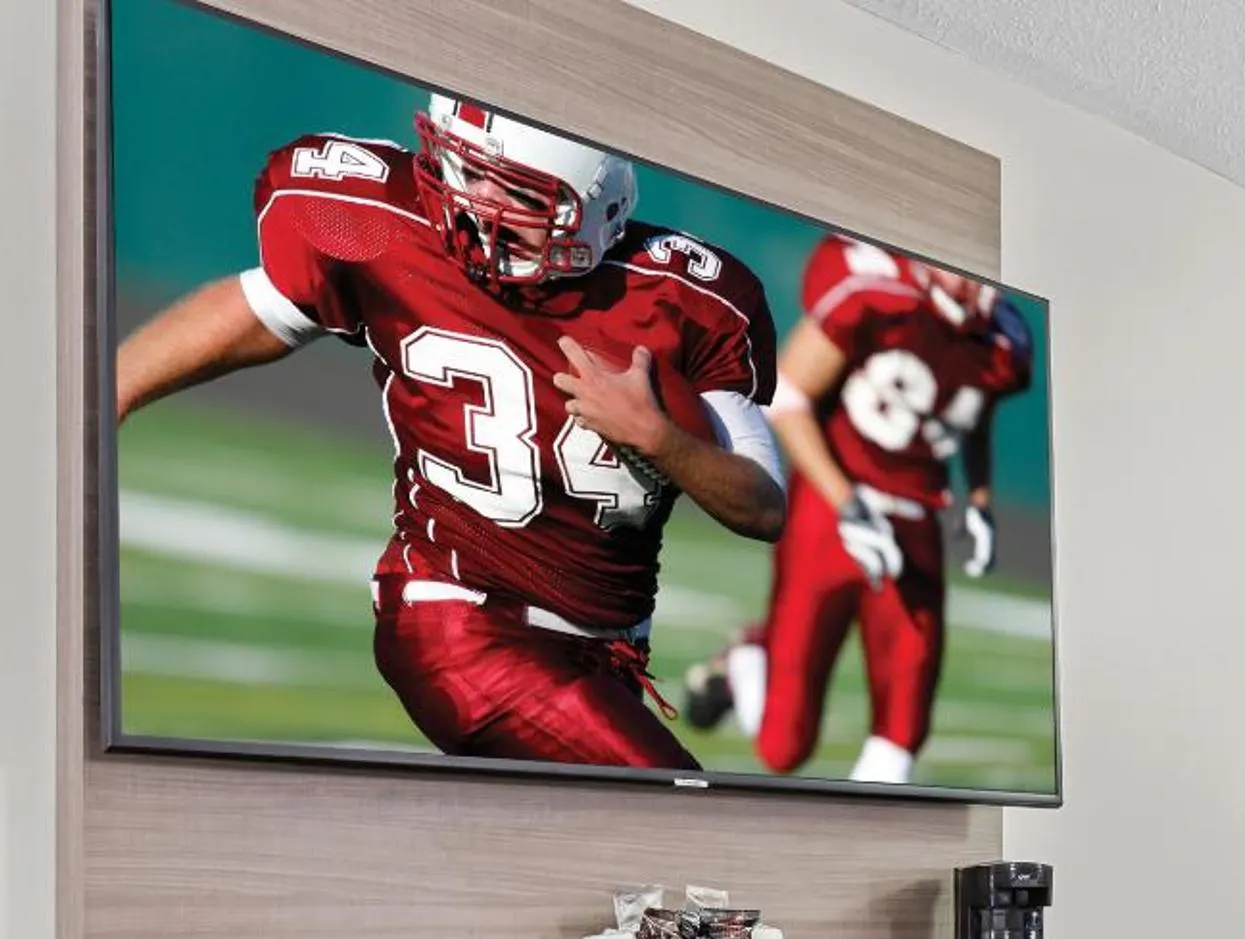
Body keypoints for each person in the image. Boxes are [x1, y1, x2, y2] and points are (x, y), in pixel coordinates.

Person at [116, 97, 783, 767]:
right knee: (676, 816)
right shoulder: (386, 222)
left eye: (517, 189)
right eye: (466, 169)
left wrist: (662, 440)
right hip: (457, 620)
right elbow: (263, 311)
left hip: (603, 654)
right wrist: (101, 396)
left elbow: (761, 506)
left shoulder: (687, 300)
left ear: (593, 206)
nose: (477, 203)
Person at [682, 236, 1034, 783]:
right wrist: (848, 504)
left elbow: (974, 414)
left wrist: (980, 500)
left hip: (917, 521)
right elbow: (790, 396)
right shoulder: (873, 292)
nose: (969, 282)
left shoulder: (1004, 343)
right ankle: (753, 659)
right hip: (831, 508)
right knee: (783, 750)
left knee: (903, 732)